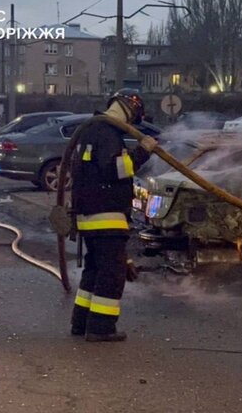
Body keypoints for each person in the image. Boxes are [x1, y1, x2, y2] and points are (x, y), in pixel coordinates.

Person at [70, 88, 158, 342]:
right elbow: (115, 169)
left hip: (88, 215)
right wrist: (143, 151)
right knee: (112, 272)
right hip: (107, 214)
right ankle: (101, 327)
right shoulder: (107, 133)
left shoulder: (90, 129)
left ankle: (81, 322)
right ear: (131, 110)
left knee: (95, 269)